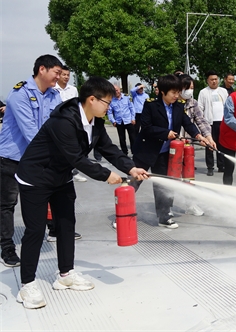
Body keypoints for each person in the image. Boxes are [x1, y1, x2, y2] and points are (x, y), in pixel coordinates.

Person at [15, 77, 148, 309]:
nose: (108, 108)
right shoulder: (63, 121)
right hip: (36, 178)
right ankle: (27, 285)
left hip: (61, 177)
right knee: (35, 231)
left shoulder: (96, 122)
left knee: (66, 225)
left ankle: (65, 274)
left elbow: (109, 149)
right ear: (92, 99)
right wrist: (106, 175)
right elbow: (76, 158)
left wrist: (130, 168)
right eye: (107, 102)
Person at [0, 54, 63, 268]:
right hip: (13, 158)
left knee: (42, 198)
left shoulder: (54, 95)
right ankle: (7, 247)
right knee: (7, 204)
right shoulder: (20, 94)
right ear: (42, 69)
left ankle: (51, 229)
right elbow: (31, 133)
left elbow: (59, 124)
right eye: (56, 72)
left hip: (38, 159)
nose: (59, 77)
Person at [131, 74, 208, 229]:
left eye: (178, 92)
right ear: (162, 92)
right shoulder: (151, 105)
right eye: (173, 92)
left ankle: (164, 216)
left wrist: (199, 136)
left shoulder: (178, 106)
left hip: (165, 152)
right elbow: (146, 128)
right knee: (134, 182)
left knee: (163, 185)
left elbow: (187, 123)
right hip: (146, 151)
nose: (176, 95)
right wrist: (165, 133)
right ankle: (121, 214)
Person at [179, 74, 217, 216]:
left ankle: (190, 204)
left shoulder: (192, 103)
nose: (190, 91)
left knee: (188, 175)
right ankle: (165, 207)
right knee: (170, 176)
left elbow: (201, 121)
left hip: (188, 145)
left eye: (192, 88)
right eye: (187, 88)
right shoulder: (173, 102)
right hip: (171, 145)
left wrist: (209, 138)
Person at [197, 70, 229, 176]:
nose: (214, 81)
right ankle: (210, 167)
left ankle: (221, 165)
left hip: (222, 122)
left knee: (221, 144)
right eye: (211, 80)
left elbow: (228, 106)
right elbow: (200, 108)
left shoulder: (223, 91)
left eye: (216, 79)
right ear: (207, 81)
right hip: (209, 123)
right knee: (209, 145)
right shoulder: (203, 92)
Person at [107, 85, 136, 156]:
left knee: (132, 137)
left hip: (128, 120)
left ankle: (134, 152)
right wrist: (113, 121)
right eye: (114, 91)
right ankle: (124, 152)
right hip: (119, 122)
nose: (116, 92)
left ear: (120, 90)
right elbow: (109, 112)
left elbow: (132, 108)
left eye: (117, 90)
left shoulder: (127, 97)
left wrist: (133, 118)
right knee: (122, 138)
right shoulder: (111, 100)